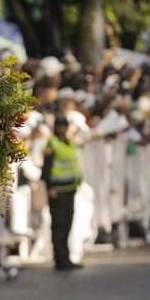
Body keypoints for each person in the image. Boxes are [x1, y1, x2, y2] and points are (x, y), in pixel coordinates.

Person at [42, 116, 83, 270]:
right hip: (57, 191)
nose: (62, 129)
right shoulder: (52, 144)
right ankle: (60, 259)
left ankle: (66, 257)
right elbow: (46, 168)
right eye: (60, 126)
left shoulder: (69, 143)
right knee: (59, 225)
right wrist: (50, 187)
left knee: (67, 224)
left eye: (64, 126)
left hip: (70, 189)